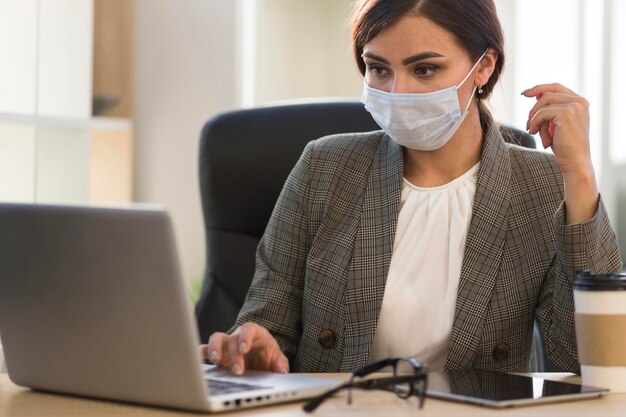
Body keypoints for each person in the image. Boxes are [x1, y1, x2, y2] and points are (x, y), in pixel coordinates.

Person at [201, 0, 622, 376]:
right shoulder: (323, 168)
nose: (397, 92)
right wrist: (255, 346)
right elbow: (265, 320)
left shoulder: (541, 185)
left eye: (425, 69)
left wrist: (580, 178)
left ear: (485, 66)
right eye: (378, 69)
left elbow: (590, 359)